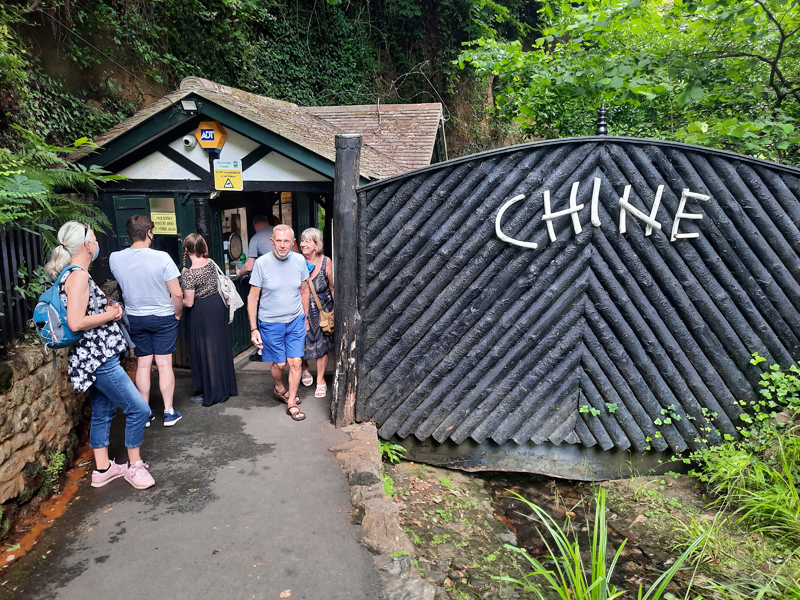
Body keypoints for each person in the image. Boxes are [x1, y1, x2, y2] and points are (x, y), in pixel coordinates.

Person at [44, 221, 155, 490]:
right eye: (93, 237)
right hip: (98, 359)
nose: (97, 242)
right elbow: (76, 322)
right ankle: (134, 466)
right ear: (85, 245)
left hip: (88, 357)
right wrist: (112, 314)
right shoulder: (79, 275)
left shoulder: (74, 274)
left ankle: (102, 469)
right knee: (139, 409)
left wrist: (106, 307)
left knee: (103, 412)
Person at [109, 215, 183, 427]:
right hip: (162, 316)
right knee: (164, 363)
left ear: (129, 234)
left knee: (143, 364)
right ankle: (168, 412)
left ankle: (145, 413)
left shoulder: (115, 258)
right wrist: (177, 313)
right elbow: (177, 294)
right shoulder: (162, 258)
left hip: (135, 316)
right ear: (149, 233)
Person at [247, 224, 310, 421]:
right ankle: (278, 386)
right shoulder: (262, 263)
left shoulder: (299, 260)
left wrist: (305, 317)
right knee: (280, 364)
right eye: (279, 241)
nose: (283, 245)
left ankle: (291, 401)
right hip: (270, 322)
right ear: (272, 242)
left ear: (293, 243)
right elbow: (253, 298)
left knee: (296, 361)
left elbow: (304, 291)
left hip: (295, 320)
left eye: (287, 241)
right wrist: (253, 328)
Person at [181, 233, 238, 406]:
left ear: (187, 250)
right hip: (217, 305)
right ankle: (226, 387)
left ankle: (211, 392)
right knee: (219, 346)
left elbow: (189, 302)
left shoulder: (189, 274)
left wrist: (174, 300)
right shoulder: (211, 263)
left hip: (201, 311)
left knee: (205, 351)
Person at [299, 228, 334, 399]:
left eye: (307, 241)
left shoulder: (326, 261)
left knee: (322, 346)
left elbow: (333, 287)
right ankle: (305, 369)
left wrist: (337, 311)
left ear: (316, 244)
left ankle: (320, 380)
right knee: (301, 343)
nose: (302, 244)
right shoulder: (296, 261)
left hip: (322, 309)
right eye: (302, 241)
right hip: (301, 310)